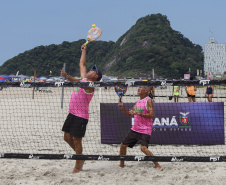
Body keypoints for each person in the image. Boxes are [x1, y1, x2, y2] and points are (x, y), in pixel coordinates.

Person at [60, 43, 102, 173]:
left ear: (95, 77)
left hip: (81, 116)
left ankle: (78, 165)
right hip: (72, 113)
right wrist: (84, 51)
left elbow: (77, 82)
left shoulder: (90, 86)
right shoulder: (84, 79)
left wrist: (67, 76)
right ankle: (81, 157)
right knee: (67, 138)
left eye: (93, 71)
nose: (89, 70)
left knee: (77, 141)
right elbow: (82, 65)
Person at [118, 87, 163, 171]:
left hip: (145, 129)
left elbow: (152, 115)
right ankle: (122, 164)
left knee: (143, 149)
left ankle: (157, 165)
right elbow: (130, 114)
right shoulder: (138, 101)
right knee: (123, 145)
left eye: (141, 88)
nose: (138, 88)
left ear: (146, 91)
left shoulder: (148, 100)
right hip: (135, 129)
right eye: (138, 88)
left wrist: (138, 113)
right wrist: (122, 107)